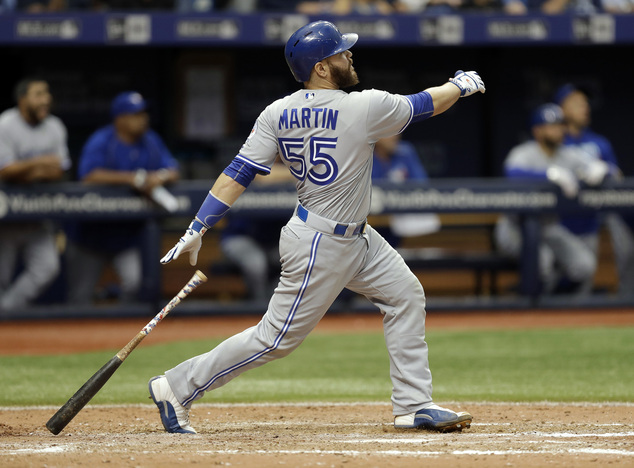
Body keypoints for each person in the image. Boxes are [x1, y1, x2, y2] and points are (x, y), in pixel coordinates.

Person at [152, 20, 485, 434]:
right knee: (275, 339)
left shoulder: (277, 111)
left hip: (356, 237)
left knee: (404, 295)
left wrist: (199, 224)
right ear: (321, 67)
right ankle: (176, 386)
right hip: (320, 243)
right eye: (341, 52)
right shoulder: (362, 106)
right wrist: (461, 84)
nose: (349, 56)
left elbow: (238, 172)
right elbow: (426, 103)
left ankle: (413, 404)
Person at [65, 91, 179, 305]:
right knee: (79, 297)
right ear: (120, 119)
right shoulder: (102, 140)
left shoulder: (150, 140)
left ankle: (118, 333)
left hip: (125, 237)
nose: (143, 118)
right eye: (136, 114)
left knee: (134, 283)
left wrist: (160, 177)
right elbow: (88, 176)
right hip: (90, 236)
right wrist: (132, 179)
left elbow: (173, 169)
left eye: (144, 113)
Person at [494, 103, 611, 296]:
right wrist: (548, 175)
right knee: (543, 261)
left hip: (549, 226)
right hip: (515, 227)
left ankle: (562, 310)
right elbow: (512, 172)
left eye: (560, 125)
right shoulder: (524, 153)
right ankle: (532, 312)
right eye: (552, 126)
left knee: (584, 264)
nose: (558, 130)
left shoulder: (568, 154)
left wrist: (603, 169)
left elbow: (603, 169)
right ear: (537, 131)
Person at [554, 83, 634, 297]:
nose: (584, 108)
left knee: (623, 229)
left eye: (585, 103)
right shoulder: (556, 141)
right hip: (563, 217)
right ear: (561, 108)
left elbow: (617, 178)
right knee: (562, 279)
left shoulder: (599, 143)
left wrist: (606, 170)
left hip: (593, 214)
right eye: (576, 103)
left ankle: (628, 296)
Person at [0, 77, 70, 311]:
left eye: (47, 94)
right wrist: (40, 163)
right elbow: (5, 170)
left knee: (47, 268)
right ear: (22, 100)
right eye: (38, 94)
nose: (46, 99)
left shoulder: (55, 126)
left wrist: (24, 170)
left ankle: (6, 310)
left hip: (38, 215)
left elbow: (59, 169)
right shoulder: (6, 124)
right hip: (6, 218)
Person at [219, 160, 295, 302]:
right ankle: (259, 306)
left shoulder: (296, 160)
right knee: (256, 262)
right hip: (241, 236)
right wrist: (299, 174)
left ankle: (274, 302)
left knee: (298, 259)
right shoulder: (253, 155)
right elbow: (262, 176)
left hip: (276, 240)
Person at [372, 133, 440, 246]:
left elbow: (421, 184)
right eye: (390, 132)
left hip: (402, 217)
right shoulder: (366, 154)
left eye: (397, 131)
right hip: (373, 219)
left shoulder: (405, 152)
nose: (395, 136)